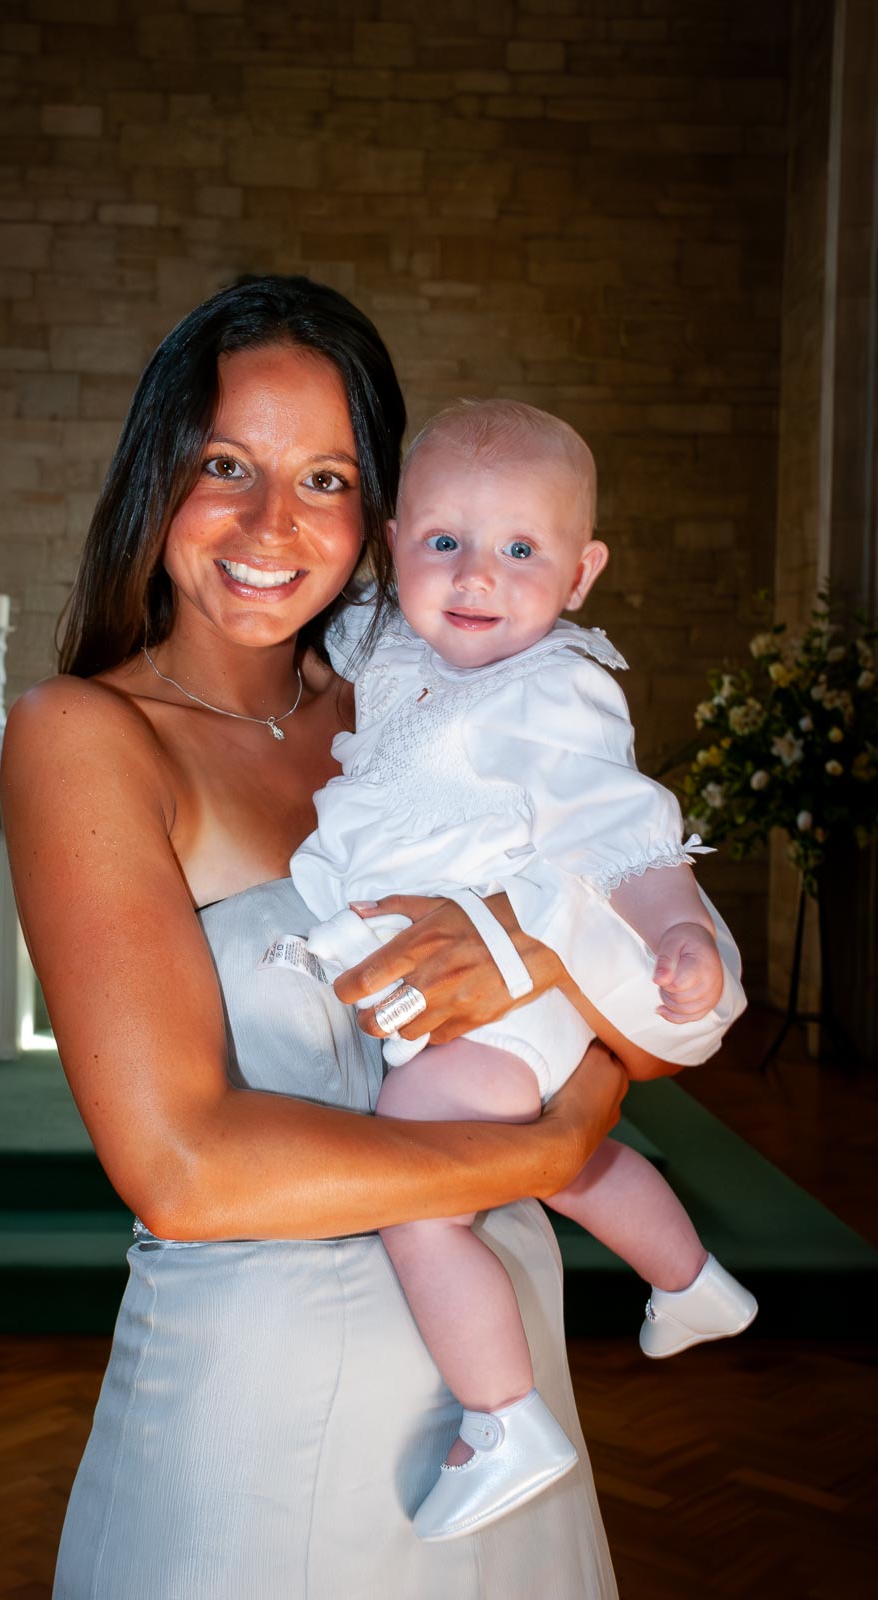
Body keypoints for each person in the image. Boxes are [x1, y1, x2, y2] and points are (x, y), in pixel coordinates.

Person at [1, 275, 737, 1599]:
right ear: (154, 474)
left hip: (498, 1357)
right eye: (225, 462)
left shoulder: (437, 704)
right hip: (265, 1401)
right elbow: (184, 1171)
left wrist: (531, 952)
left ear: (377, 513)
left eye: (326, 477)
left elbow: (661, 1028)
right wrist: (548, 1144)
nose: (270, 521)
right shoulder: (88, 739)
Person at [285, 398, 754, 1543]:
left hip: (504, 999)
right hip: (466, 1003)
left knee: (414, 1186)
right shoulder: (389, 640)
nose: (477, 574)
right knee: (565, 1163)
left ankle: (504, 1417)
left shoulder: (558, 690)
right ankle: (694, 1282)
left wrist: (676, 931)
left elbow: (627, 835)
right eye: (445, 541)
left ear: (582, 573)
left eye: (521, 549)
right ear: (394, 547)